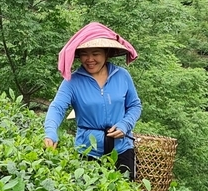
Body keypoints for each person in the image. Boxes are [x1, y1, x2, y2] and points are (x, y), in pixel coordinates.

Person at [43, 22, 142, 180]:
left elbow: (134, 106)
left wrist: (124, 125)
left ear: (106, 53)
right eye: (84, 54)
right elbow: (57, 108)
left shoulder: (122, 75)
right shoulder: (72, 81)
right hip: (88, 151)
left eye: (95, 53)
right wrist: (50, 133)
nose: (89, 59)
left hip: (122, 149)